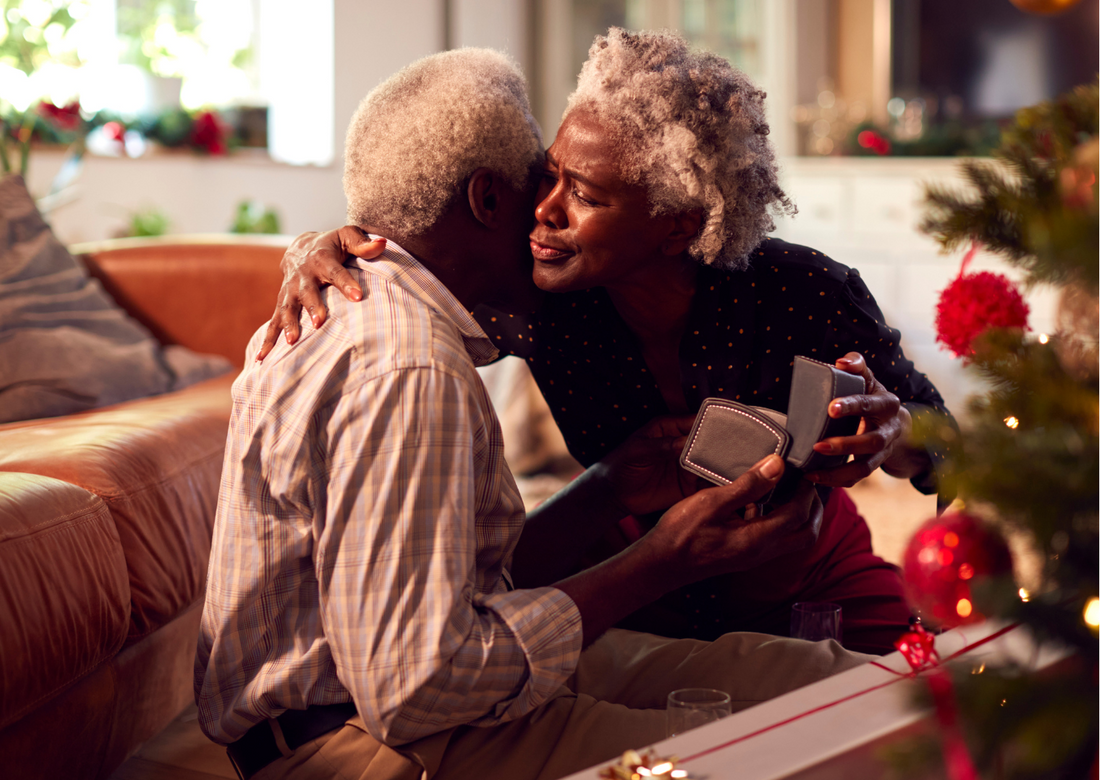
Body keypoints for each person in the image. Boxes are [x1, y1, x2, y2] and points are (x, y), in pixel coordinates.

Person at [196, 48, 868, 780]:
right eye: (541, 180)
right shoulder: (409, 364)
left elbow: (444, 587)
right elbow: (416, 688)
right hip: (363, 746)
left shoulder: (357, 302)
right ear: (489, 198)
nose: (549, 210)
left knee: (816, 683)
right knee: (771, 748)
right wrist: (657, 563)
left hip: (392, 701)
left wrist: (605, 490)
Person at [259, 29, 953, 655]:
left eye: (585, 196)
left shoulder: (803, 293)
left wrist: (893, 434)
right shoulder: (543, 302)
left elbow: (950, 454)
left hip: (806, 571)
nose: (543, 210)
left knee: (935, 700)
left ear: (678, 226)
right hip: (633, 579)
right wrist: (323, 246)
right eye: (548, 174)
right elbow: (420, 274)